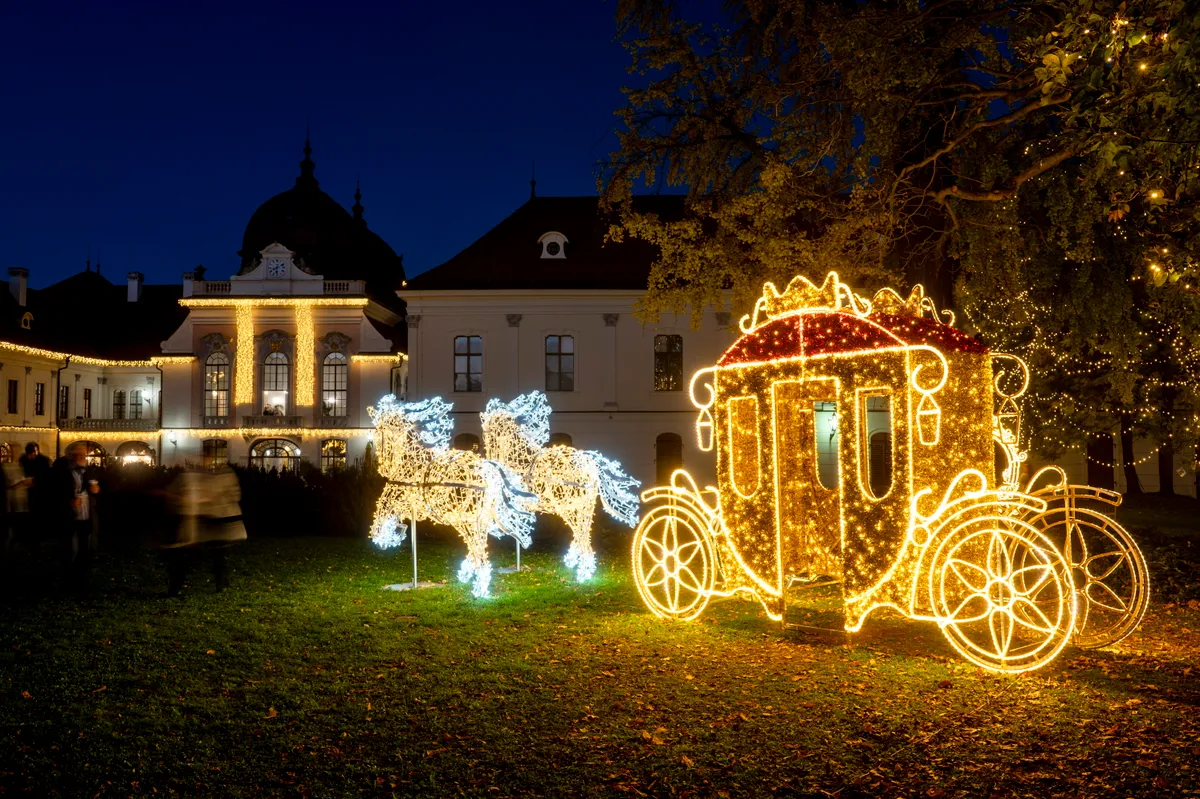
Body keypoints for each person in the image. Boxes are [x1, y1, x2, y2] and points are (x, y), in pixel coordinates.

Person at [164, 465, 246, 595]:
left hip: (210, 521)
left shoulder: (216, 478)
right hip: (203, 522)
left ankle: (219, 582)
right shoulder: (195, 479)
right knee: (213, 554)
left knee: (215, 554)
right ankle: (219, 582)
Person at [49, 443, 100, 593]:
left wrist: (96, 491)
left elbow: (95, 488)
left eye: (84, 454)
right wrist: (68, 501)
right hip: (69, 516)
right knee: (70, 549)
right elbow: (53, 492)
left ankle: (81, 581)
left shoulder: (89, 470)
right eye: (79, 454)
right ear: (71, 455)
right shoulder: (61, 471)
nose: (83, 457)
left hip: (86, 516)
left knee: (85, 550)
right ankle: (67, 581)